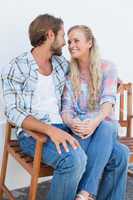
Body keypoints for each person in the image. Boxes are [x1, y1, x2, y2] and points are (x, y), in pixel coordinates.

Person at [1, 14, 128, 200]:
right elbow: (12, 112)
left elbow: (87, 70)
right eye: (63, 37)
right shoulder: (17, 67)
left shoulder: (61, 65)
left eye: (72, 40)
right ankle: (85, 194)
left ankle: (86, 194)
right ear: (50, 35)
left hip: (66, 128)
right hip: (34, 134)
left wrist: (111, 79)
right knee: (74, 160)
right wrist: (50, 131)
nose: (65, 44)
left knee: (120, 154)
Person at [61, 25, 129, 200]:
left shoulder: (108, 67)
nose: (71, 45)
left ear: (89, 42)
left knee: (106, 126)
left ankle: (85, 192)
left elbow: (108, 101)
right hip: (81, 129)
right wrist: (71, 122)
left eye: (76, 40)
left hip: (102, 125)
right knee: (120, 154)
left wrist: (94, 121)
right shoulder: (70, 74)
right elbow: (66, 109)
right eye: (69, 41)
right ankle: (88, 194)